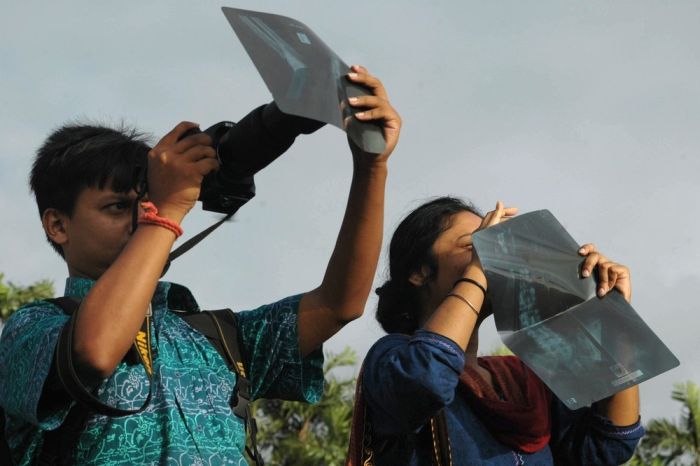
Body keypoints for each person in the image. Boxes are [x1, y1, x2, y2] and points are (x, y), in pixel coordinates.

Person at [0, 65, 401, 465]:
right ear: (57, 225)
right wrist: (167, 209)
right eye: (118, 207)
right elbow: (95, 353)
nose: (139, 219)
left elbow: (338, 305)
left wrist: (372, 167)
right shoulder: (32, 329)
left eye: (145, 204)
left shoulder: (218, 338)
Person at [351, 197, 644, 465]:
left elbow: (608, 445)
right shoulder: (392, 359)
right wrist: (481, 267)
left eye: (495, 244)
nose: (496, 254)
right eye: (474, 244)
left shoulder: (522, 379)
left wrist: (612, 318)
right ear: (419, 272)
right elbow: (429, 377)